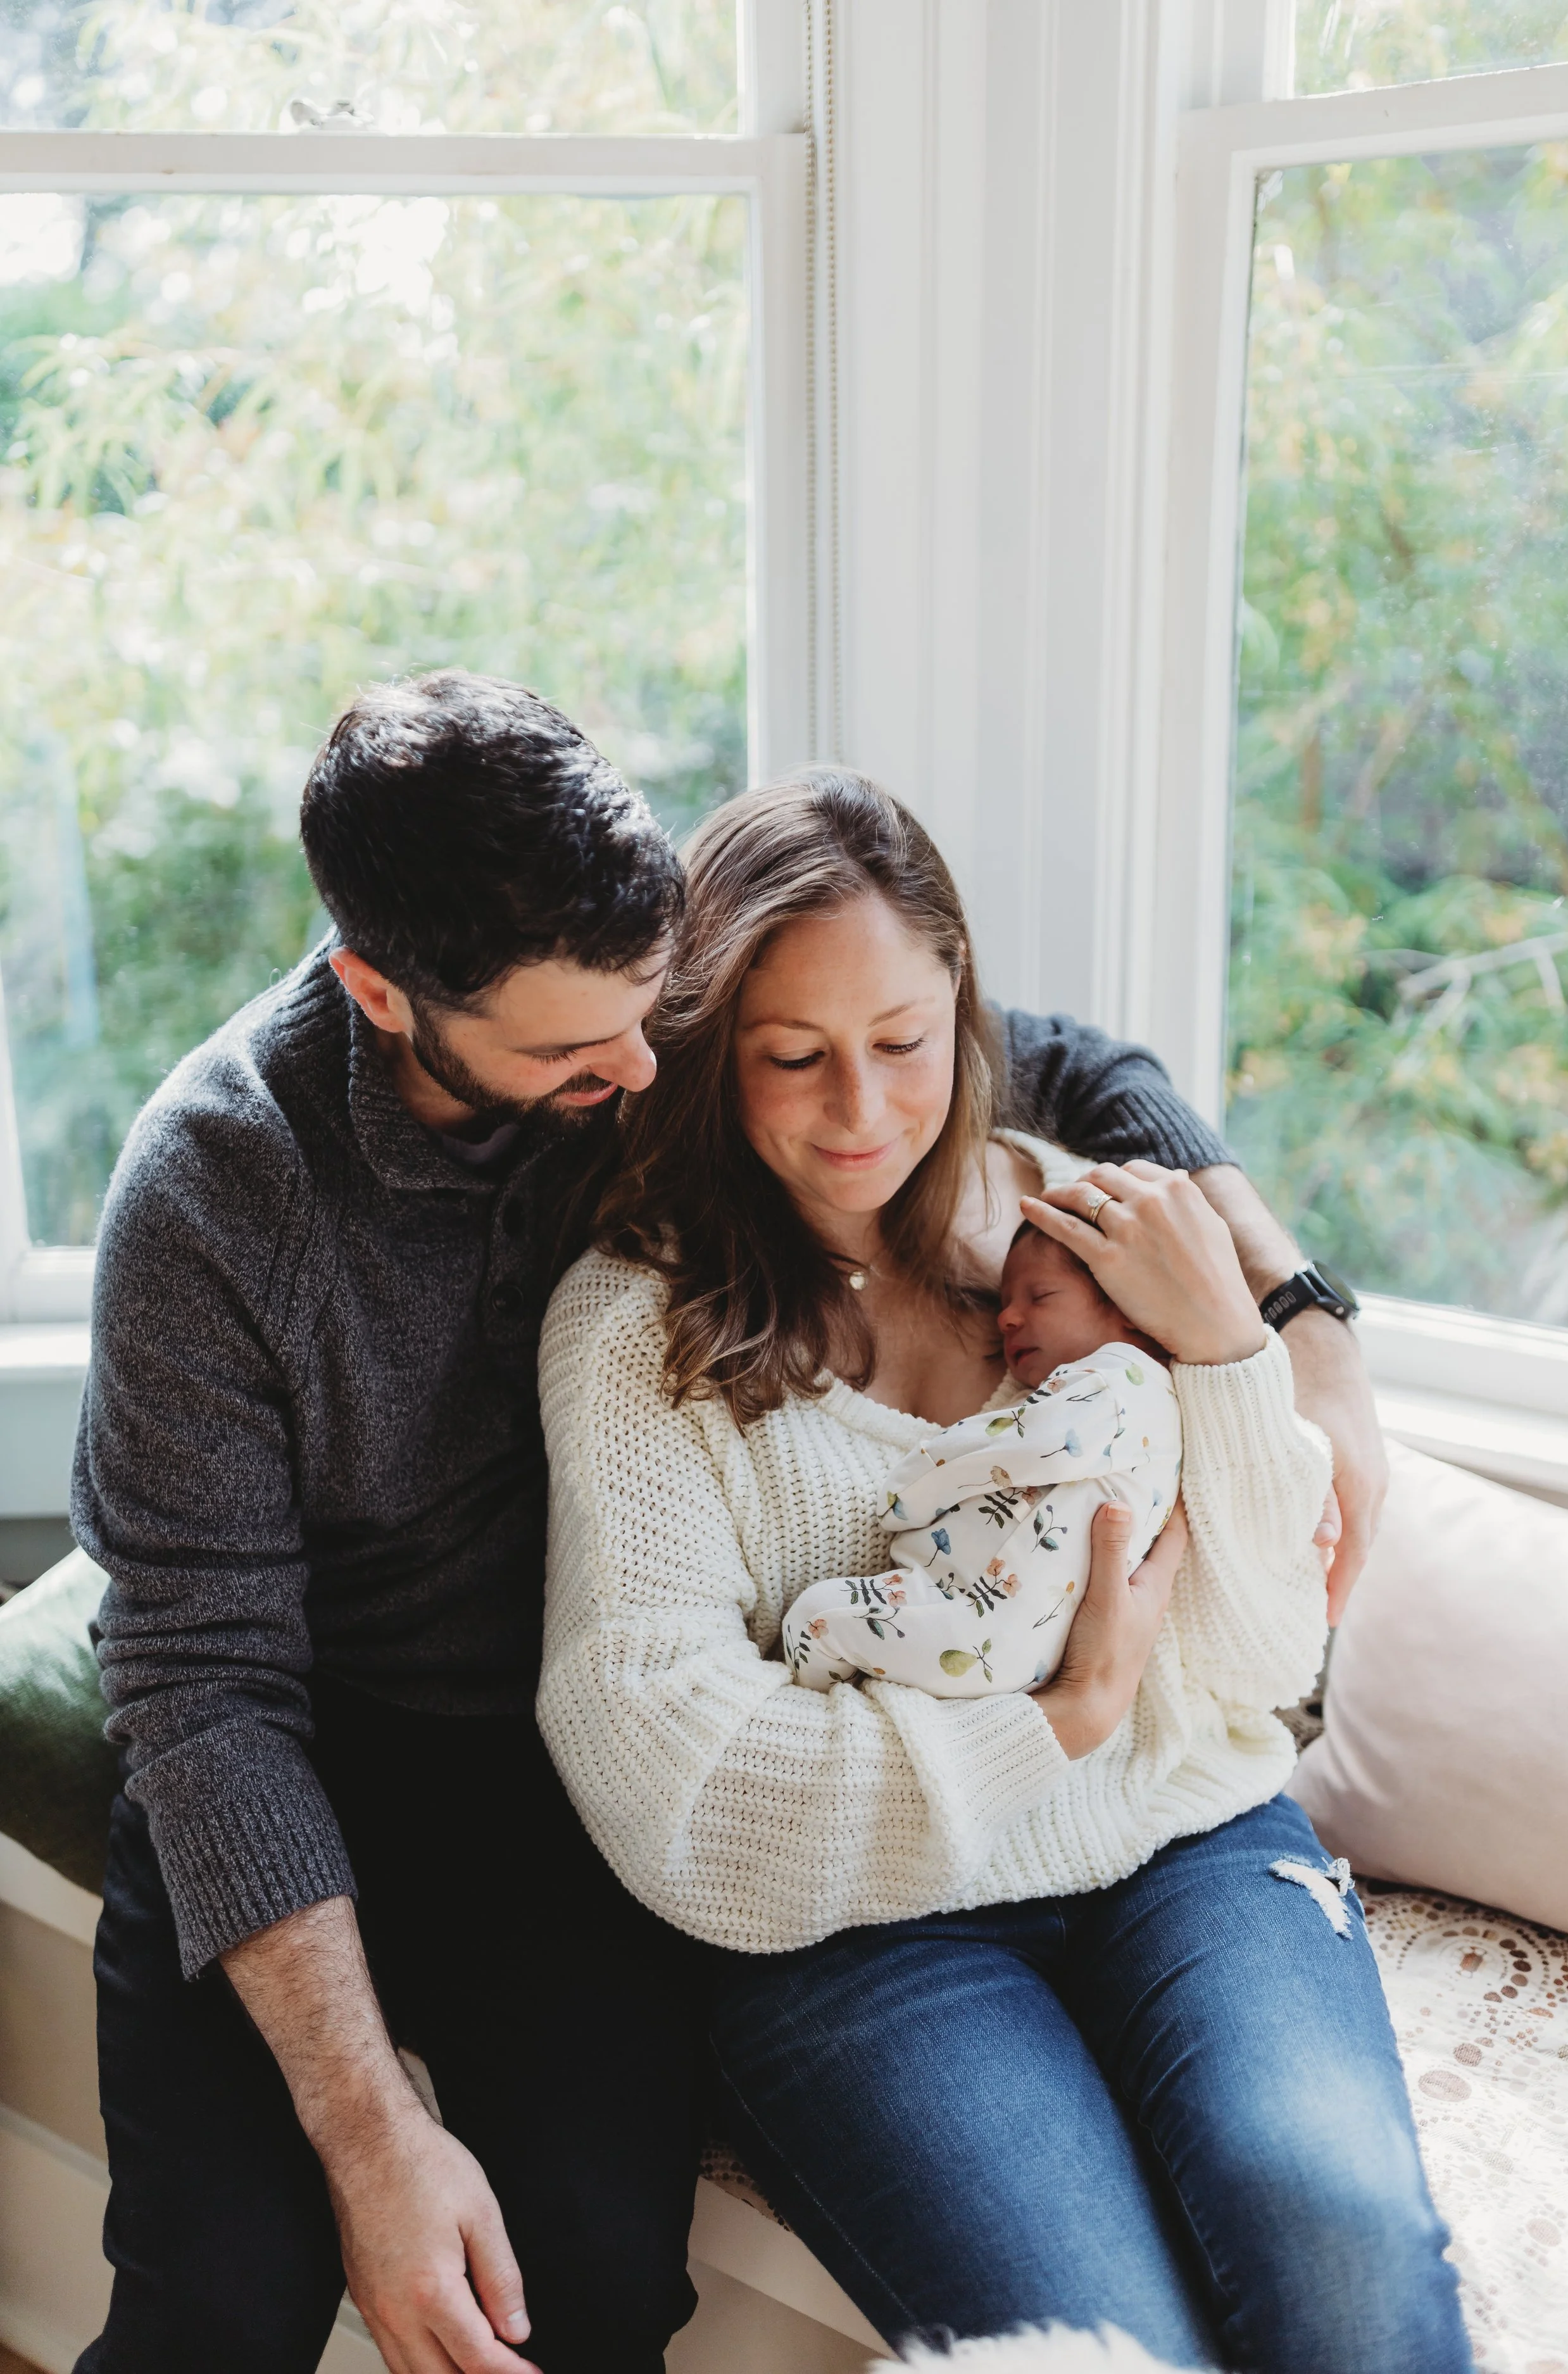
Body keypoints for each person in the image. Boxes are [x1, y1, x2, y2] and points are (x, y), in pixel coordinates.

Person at [68, 680, 1349, 2374]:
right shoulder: (217, 1194)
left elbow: (993, 1045)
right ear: (384, 992)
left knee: (590, 2267)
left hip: (544, 1762)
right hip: (307, 1721)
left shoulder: (638, 998)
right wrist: (371, 2127)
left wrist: (1286, 1307)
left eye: (663, 1011)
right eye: (572, 1051)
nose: (640, 1067)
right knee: (215, 2297)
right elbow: (204, 1685)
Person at [536, 770, 1471, 2372]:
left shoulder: (1087, 1230)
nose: (861, 1110)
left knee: (1349, 2269)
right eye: (793, 1056)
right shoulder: (640, 1336)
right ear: (709, 1053)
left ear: (964, 1008)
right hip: (874, 1933)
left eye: (902, 1040)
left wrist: (1237, 1341)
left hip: (1192, 1844)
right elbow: (684, 1801)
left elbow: (1256, 1662)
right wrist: (1060, 1714)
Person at [779, 1219, 1183, 1695]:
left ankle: (818, 1714)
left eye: (1040, 1296)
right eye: (1004, 1302)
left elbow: (1021, 1445)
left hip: (976, 1616)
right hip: (1025, 1648)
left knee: (815, 1620)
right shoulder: (1157, 1405)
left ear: (1132, 1308)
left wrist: (909, 1491)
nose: (1007, 1318)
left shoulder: (1117, 1381)